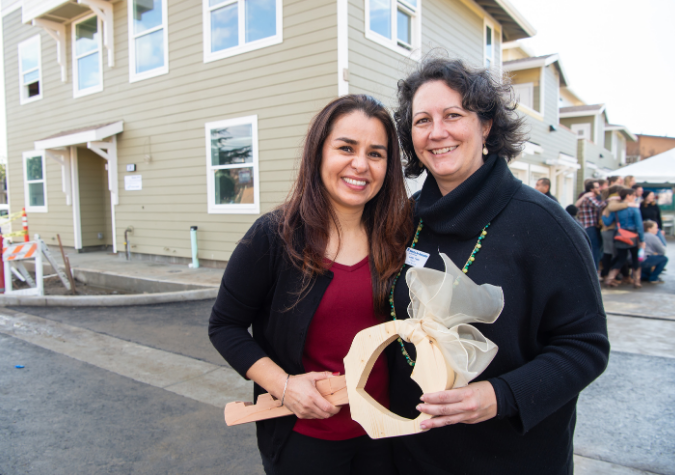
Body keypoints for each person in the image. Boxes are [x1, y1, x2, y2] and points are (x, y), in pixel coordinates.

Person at [390, 58, 609, 475]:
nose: (437, 132)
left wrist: (501, 394)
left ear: (486, 125)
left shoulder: (545, 225)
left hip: (510, 457)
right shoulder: (406, 220)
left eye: (453, 115)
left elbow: (586, 346)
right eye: (422, 120)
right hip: (412, 452)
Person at [208, 95, 412, 475]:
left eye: (376, 153)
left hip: (383, 434)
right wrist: (284, 384)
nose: (360, 165)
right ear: (318, 152)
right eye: (346, 148)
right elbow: (224, 326)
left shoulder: (397, 238)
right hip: (305, 440)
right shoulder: (274, 237)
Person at [602, 187, 645, 288]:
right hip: (632, 235)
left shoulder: (617, 209)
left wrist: (604, 215)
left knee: (621, 258)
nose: (635, 197)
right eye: (634, 195)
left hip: (619, 234)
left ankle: (609, 279)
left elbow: (607, 222)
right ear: (628, 196)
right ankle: (637, 281)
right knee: (635, 258)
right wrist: (642, 240)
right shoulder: (634, 209)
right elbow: (639, 225)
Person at [599, 185, 633, 282]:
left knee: (611, 253)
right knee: (611, 253)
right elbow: (612, 207)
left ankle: (611, 274)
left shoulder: (611, 200)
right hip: (609, 230)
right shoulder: (613, 201)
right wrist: (628, 204)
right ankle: (608, 275)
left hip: (608, 230)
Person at [576, 179, 604, 270]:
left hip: (588, 226)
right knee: (594, 249)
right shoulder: (589, 197)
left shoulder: (587, 197)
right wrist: (610, 200)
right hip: (589, 226)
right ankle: (594, 271)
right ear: (591, 189)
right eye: (596, 187)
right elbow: (599, 206)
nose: (599, 189)